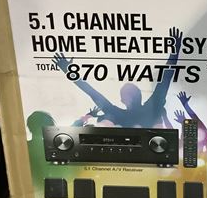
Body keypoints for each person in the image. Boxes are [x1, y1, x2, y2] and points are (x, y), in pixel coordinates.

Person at [52, 27, 183, 128]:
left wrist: (175, 52)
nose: (131, 96)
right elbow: (92, 93)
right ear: (122, 99)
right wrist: (69, 72)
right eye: (128, 94)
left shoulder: (149, 108)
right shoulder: (119, 113)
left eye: (131, 93)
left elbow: (165, 79)